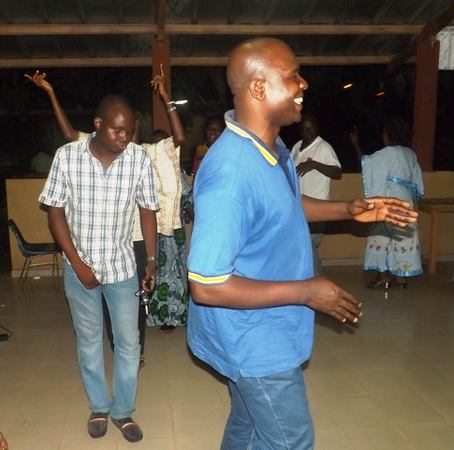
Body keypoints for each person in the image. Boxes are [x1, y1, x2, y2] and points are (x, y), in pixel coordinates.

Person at [187, 37, 418, 450]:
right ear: (259, 88)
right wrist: (306, 291)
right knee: (292, 441)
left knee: (248, 425)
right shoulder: (231, 174)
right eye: (293, 76)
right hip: (253, 339)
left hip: (266, 327)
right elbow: (207, 285)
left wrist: (348, 209)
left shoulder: (271, 145)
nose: (303, 84)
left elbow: (286, 204)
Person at [39, 95, 158, 443]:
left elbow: (147, 211)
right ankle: (99, 407)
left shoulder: (138, 159)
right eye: (117, 130)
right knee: (89, 341)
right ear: (98, 125)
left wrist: (152, 260)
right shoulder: (67, 156)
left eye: (129, 131)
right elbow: (55, 213)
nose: (125, 137)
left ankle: (122, 410)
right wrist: (78, 264)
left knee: (129, 342)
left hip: (122, 267)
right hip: (79, 268)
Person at [351, 117, 424, 288]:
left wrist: (355, 144)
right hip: (406, 201)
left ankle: (383, 276)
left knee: (382, 235)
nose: (383, 136)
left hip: (390, 199)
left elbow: (366, 163)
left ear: (389, 135)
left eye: (384, 133)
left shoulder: (388, 153)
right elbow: (417, 182)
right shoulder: (410, 154)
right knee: (402, 236)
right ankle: (401, 277)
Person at [291, 113, 342, 274]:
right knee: (302, 246)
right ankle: (309, 279)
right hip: (299, 206)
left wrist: (314, 165)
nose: (308, 132)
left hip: (318, 207)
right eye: (305, 129)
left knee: (308, 244)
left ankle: (315, 279)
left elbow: (337, 172)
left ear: (317, 129)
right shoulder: (297, 147)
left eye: (311, 129)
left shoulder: (324, 147)